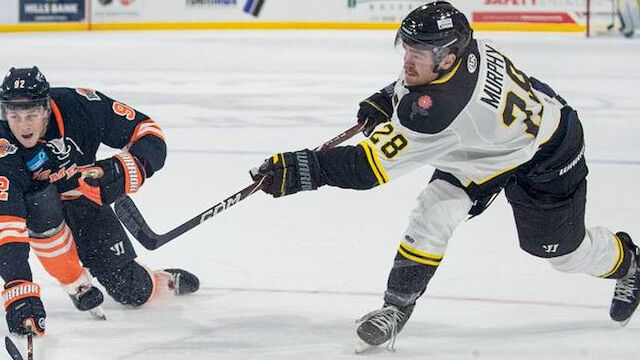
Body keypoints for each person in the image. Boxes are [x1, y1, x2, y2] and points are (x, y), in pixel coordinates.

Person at [250, 1, 640, 352]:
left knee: (562, 254)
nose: (407, 60)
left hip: (548, 150)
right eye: (406, 48)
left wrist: (303, 169)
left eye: (418, 53)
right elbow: (419, 83)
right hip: (487, 150)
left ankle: (631, 264)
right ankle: (396, 308)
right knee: (434, 210)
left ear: (449, 56)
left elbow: (366, 169)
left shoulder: (437, 111)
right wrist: (388, 98)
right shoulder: (466, 49)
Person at [0, 66, 200, 336]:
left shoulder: (81, 106)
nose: (22, 125)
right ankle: (76, 284)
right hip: (37, 214)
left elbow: (148, 131)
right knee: (40, 203)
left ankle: (160, 282)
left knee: (132, 290)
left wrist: (126, 167)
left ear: (46, 108)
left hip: (83, 198)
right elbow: (8, 227)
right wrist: (20, 291)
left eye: (31, 114)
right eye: (14, 115)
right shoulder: (3, 147)